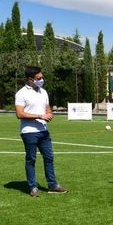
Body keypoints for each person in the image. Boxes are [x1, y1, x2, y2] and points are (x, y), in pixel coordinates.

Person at [15, 66, 68, 197]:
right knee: (31, 159)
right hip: (29, 132)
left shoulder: (43, 92)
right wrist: (40, 116)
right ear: (30, 79)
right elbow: (19, 114)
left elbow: (47, 109)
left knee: (49, 158)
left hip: (44, 131)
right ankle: (33, 187)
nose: (41, 80)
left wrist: (49, 114)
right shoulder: (21, 93)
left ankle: (53, 185)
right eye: (39, 78)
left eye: (42, 77)